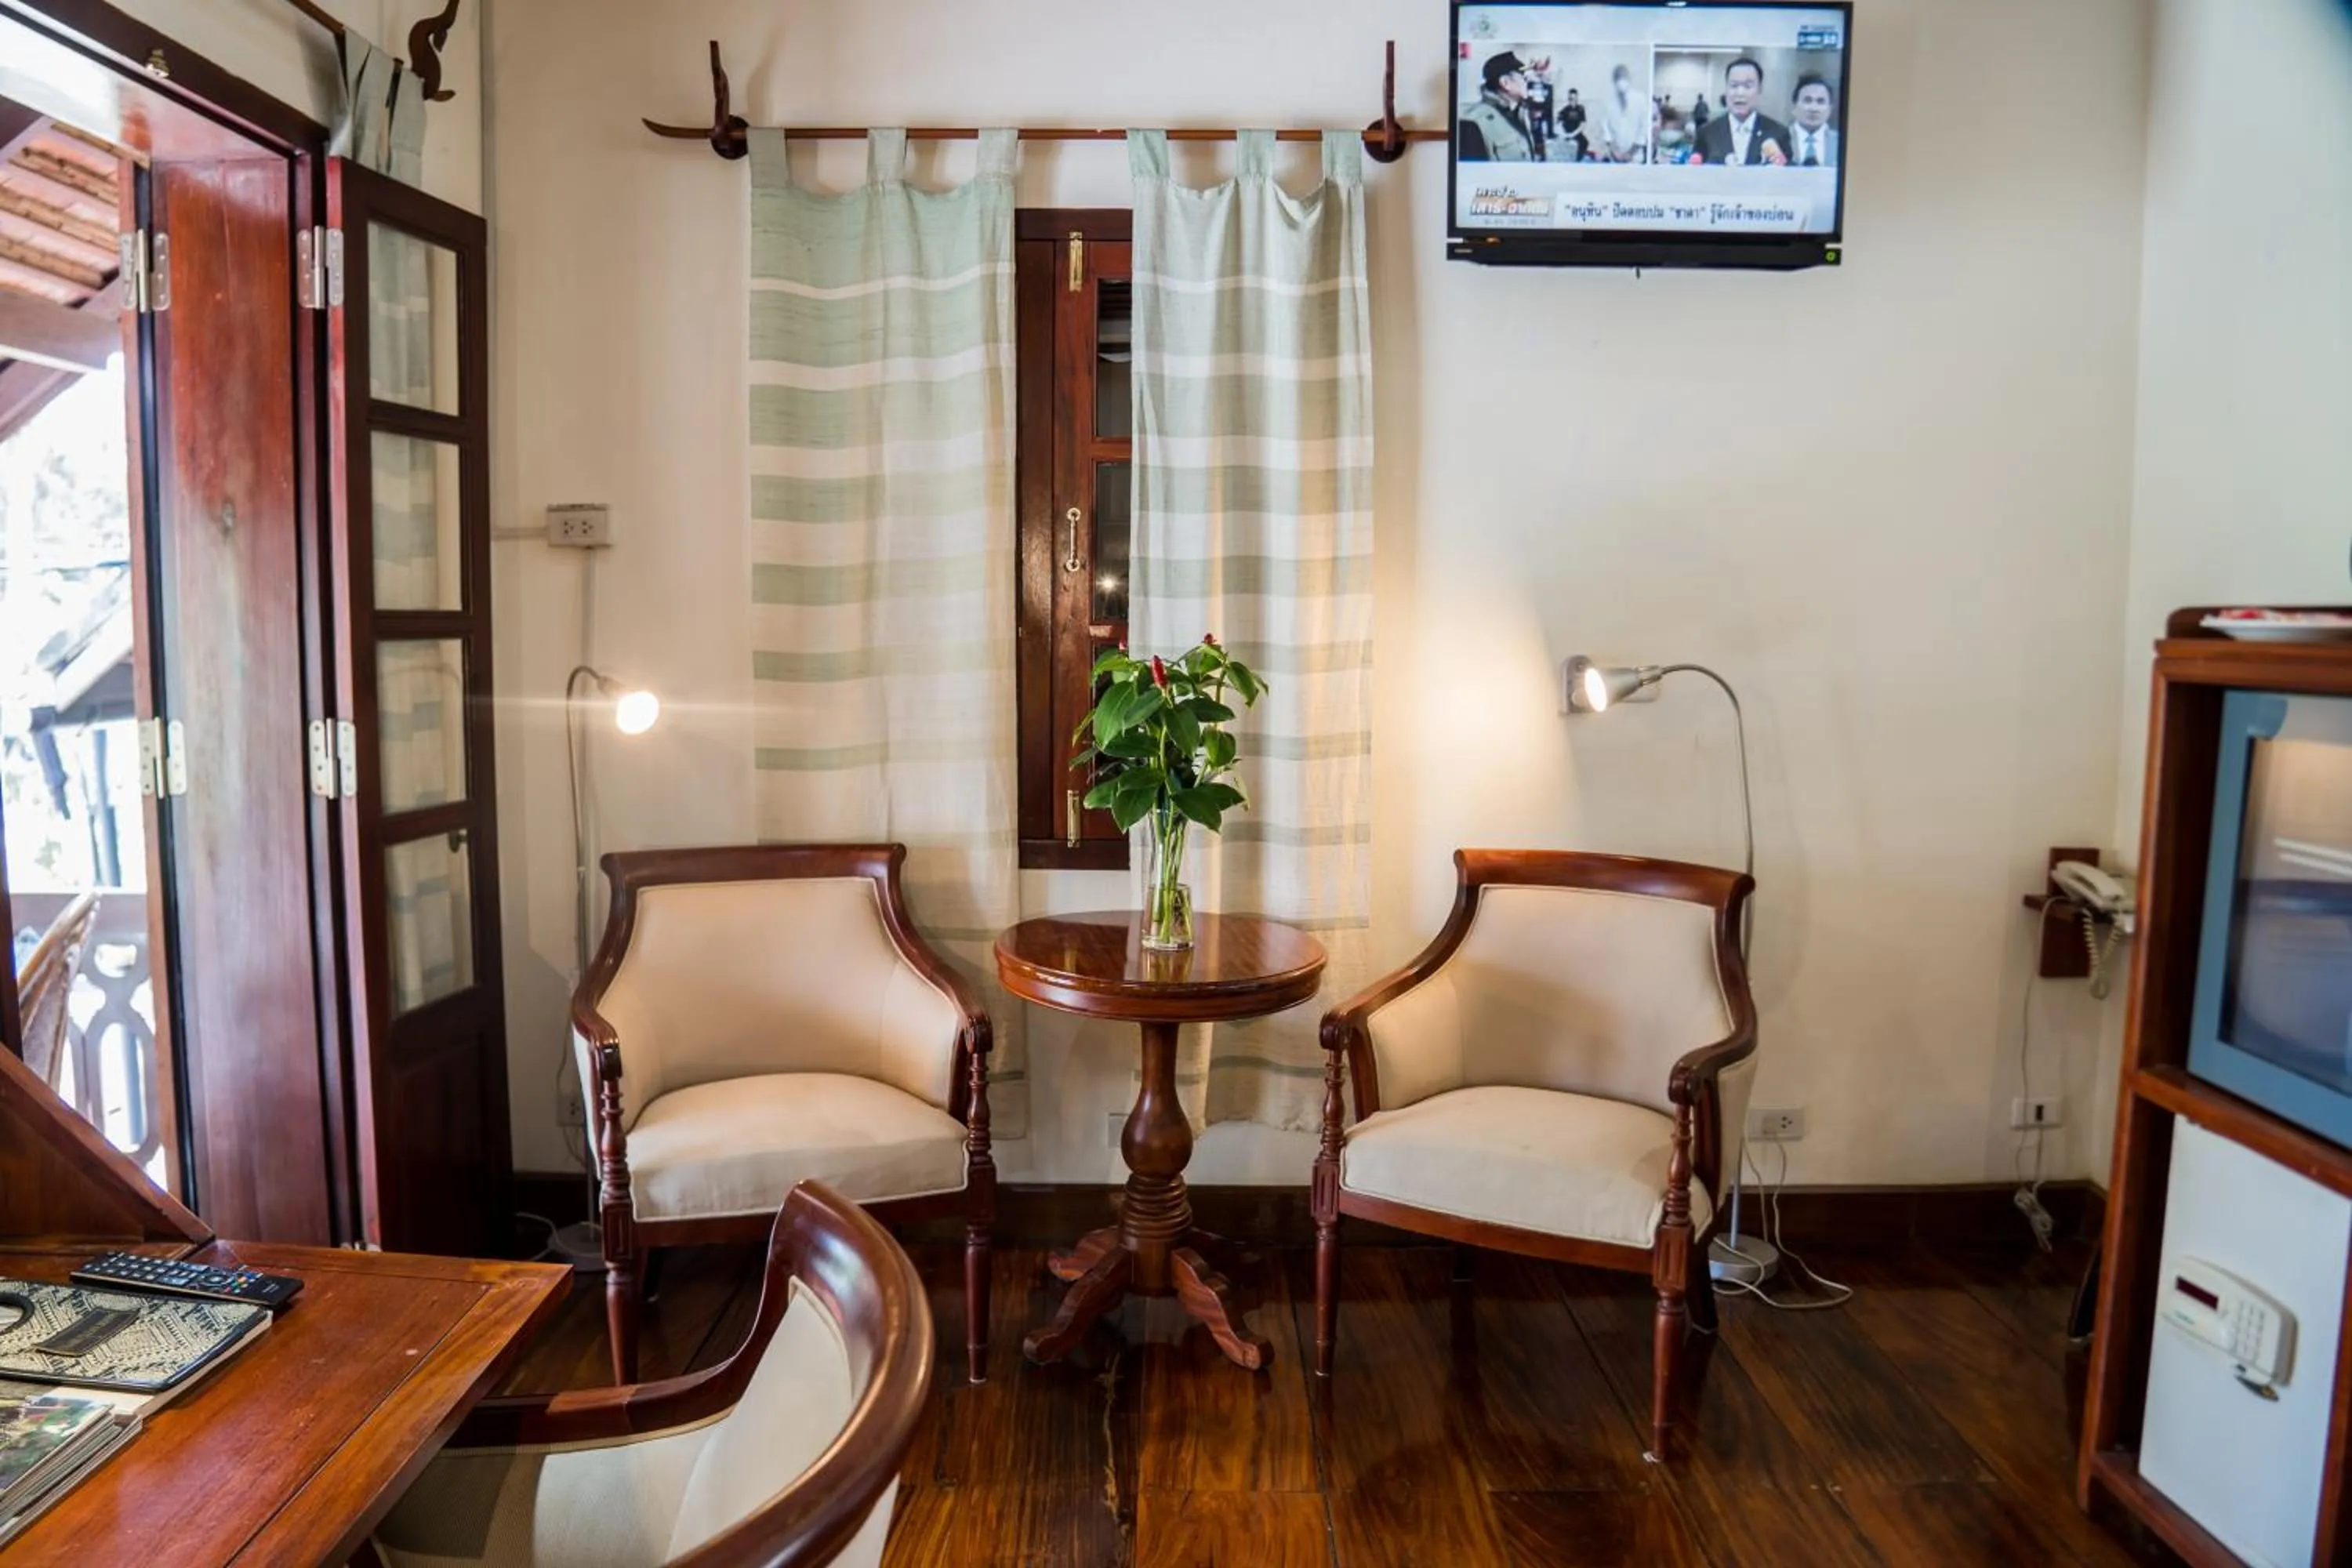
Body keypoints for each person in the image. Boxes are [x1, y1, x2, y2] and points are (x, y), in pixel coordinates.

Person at [1689, 57, 1790, 167]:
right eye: (1734, 86)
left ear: (1760, 89)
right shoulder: (1707, 132)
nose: (1740, 93)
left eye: (1748, 86)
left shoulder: (1778, 132)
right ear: (1726, 89)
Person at [1458, 50, 1539, 162]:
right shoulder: (1475, 122)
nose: (1527, 82)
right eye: (1523, 78)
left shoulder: (1518, 111)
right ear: (1505, 83)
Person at [1599, 64, 1649, 163]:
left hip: (1635, 156)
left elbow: (1644, 128)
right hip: (1615, 156)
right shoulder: (1608, 101)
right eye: (1618, 77)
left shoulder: (1640, 99)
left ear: (1629, 78)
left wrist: (1630, 153)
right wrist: (1614, 152)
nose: (1621, 81)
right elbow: (1605, 128)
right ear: (1613, 80)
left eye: (1623, 77)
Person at [1788, 73, 1839, 168]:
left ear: (1830, 108)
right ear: (1795, 105)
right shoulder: (1778, 141)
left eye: (1820, 102)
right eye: (1807, 101)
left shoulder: (1841, 142)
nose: (1813, 109)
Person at [1524, 64, 1555, 155]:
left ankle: (1542, 151)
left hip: (1544, 111)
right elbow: (1528, 100)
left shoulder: (1547, 85)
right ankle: (1539, 151)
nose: (1540, 73)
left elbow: (1549, 101)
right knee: (1537, 132)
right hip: (1534, 111)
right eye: (1538, 70)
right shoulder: (1530, 84)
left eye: (1541, 70)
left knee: (1543, 131)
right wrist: (1534, 111)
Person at [1559, 87, 1588, 162]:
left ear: (1577, 98)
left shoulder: (1580, 109)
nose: (1572, 101)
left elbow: (1583, 124)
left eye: (1574, 99)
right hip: (1567, 132)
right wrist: (1564, 134)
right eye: (1571, 99)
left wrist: (1573, 134)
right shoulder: (1565, 110)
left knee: (1585, 142)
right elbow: (1559, 124)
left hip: (1576, 132)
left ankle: (1578, 160)